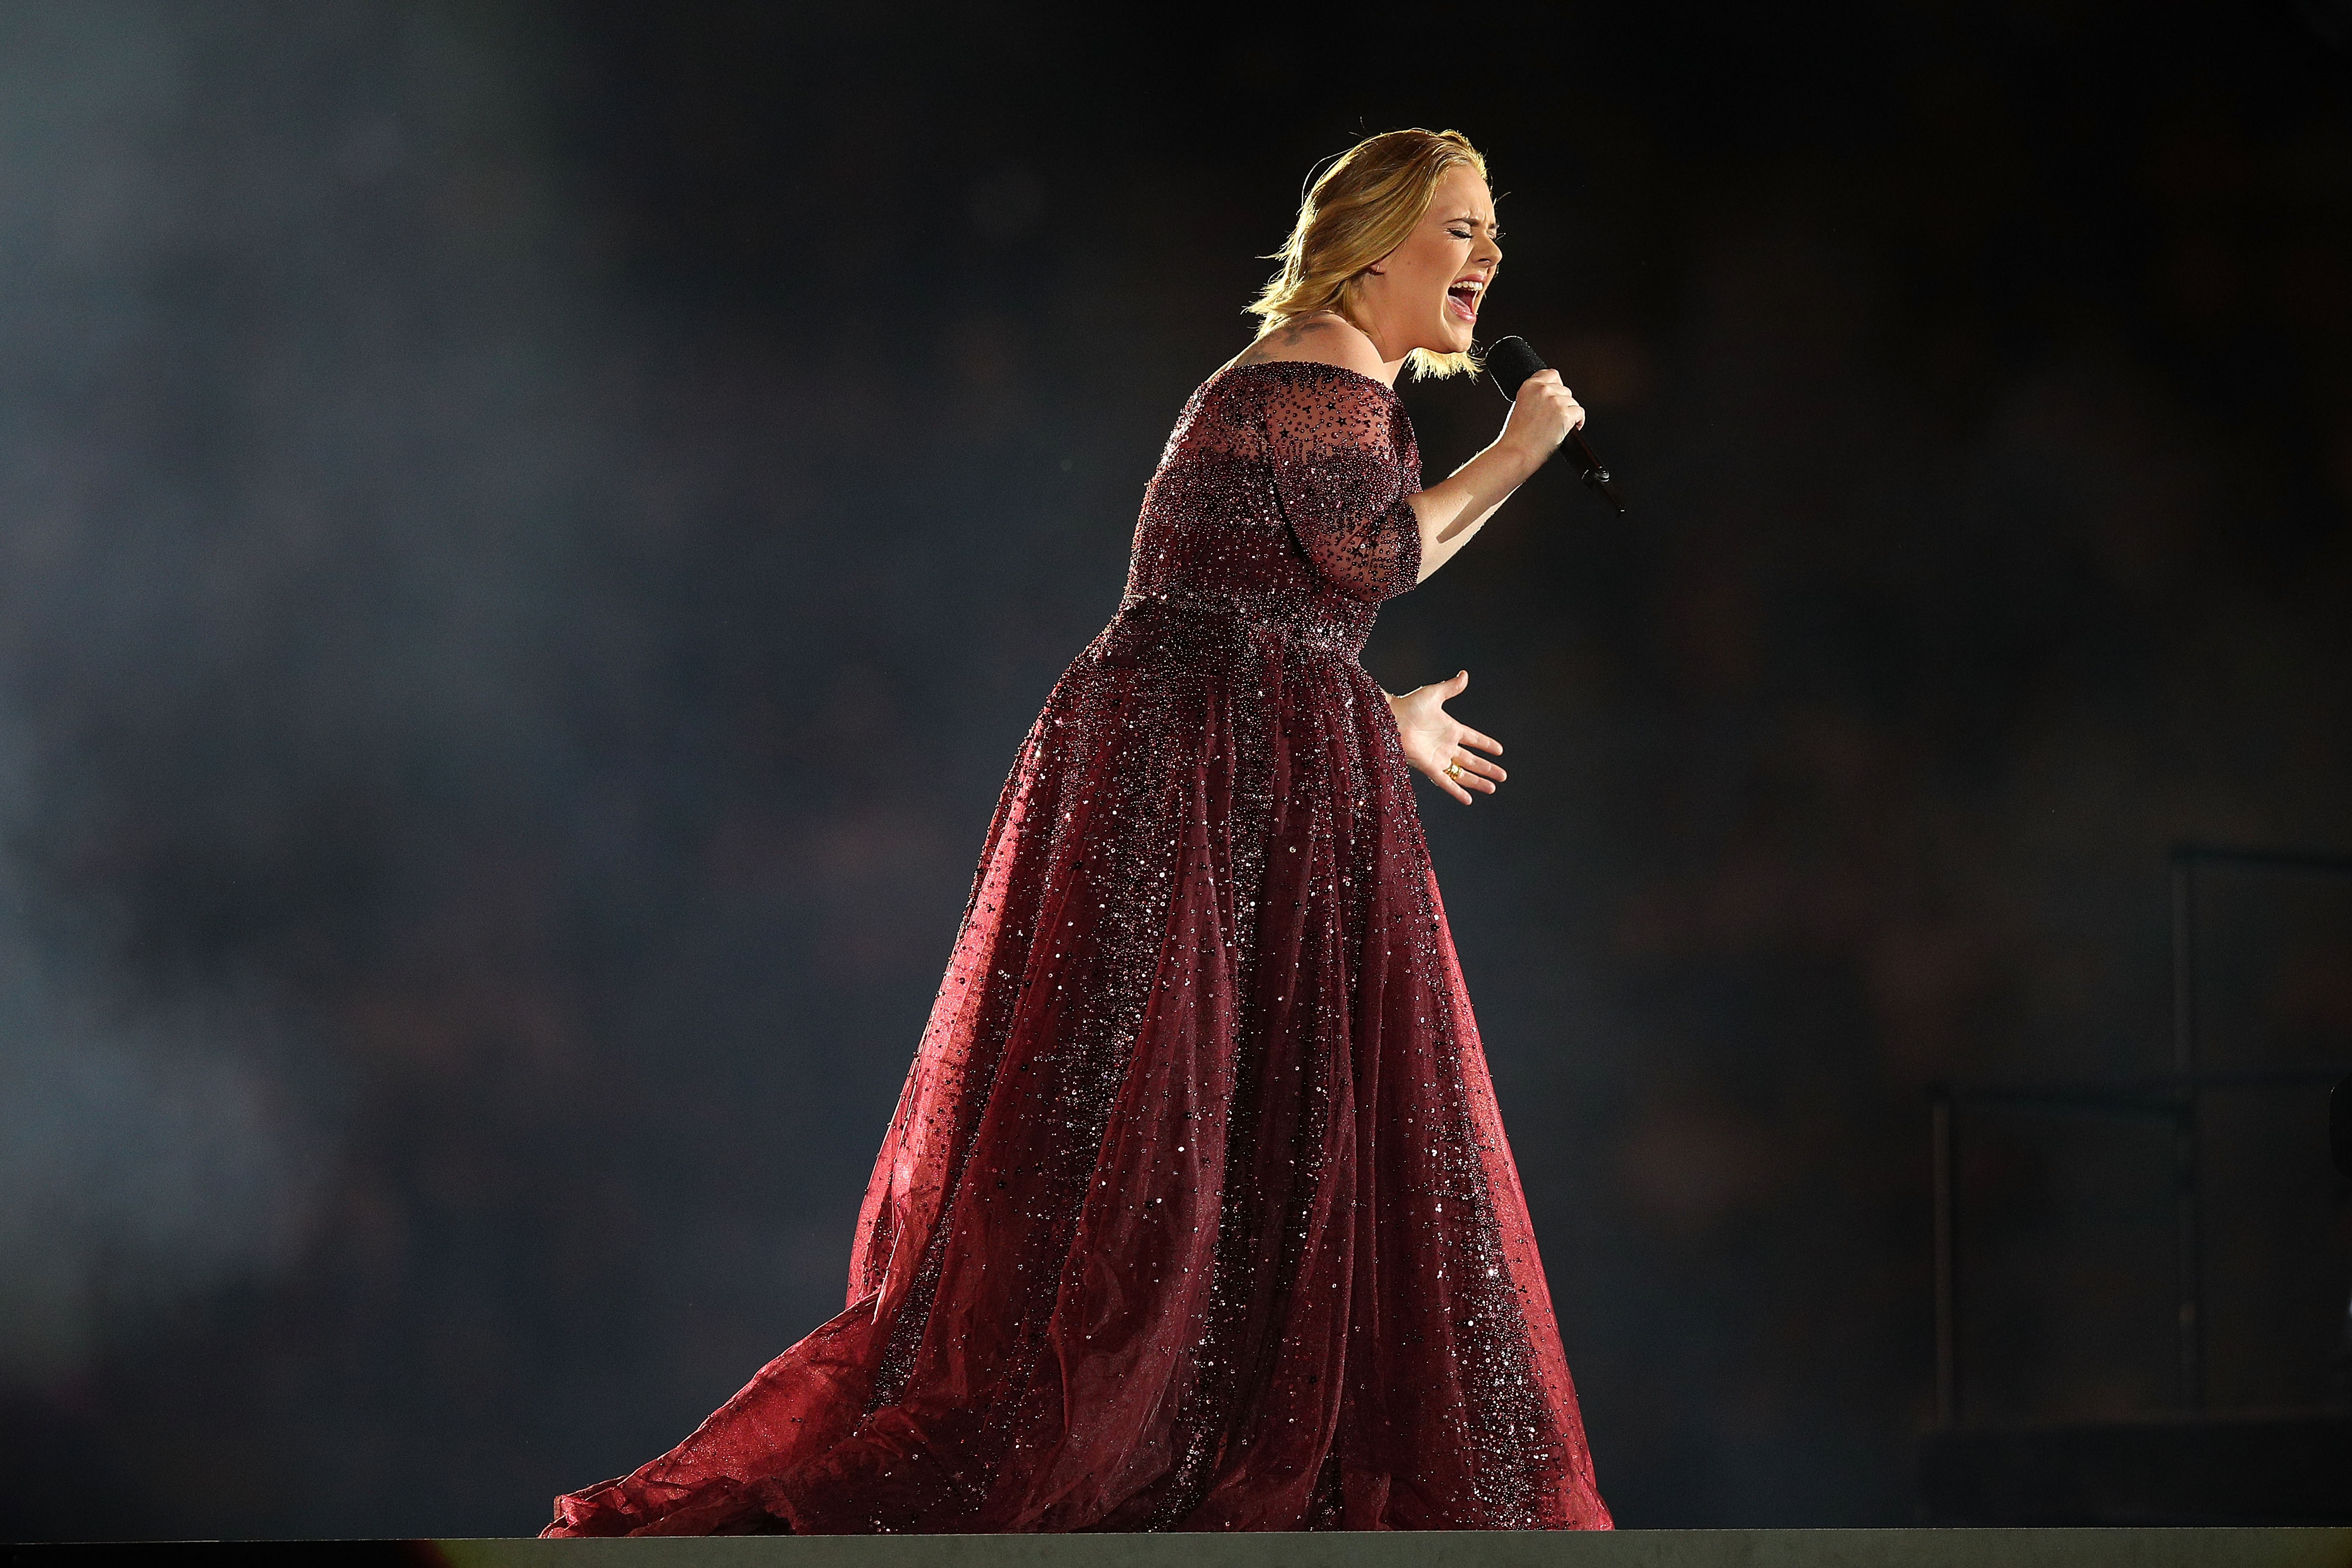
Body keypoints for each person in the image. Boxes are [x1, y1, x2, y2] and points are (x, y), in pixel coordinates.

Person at [545, 127, 1610, 1536]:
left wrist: (1363, 711)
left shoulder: (1319, 372)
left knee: (1186, 1115)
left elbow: (1298, 591)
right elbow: (1376, 557)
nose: (1484, 257)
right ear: (1371, 240)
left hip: (1210, 756)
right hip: (1201, 770)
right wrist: (1524, 449)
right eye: (1457, 228)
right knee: (1180, 1118)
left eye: (1489, 231)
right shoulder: (1326, 368)